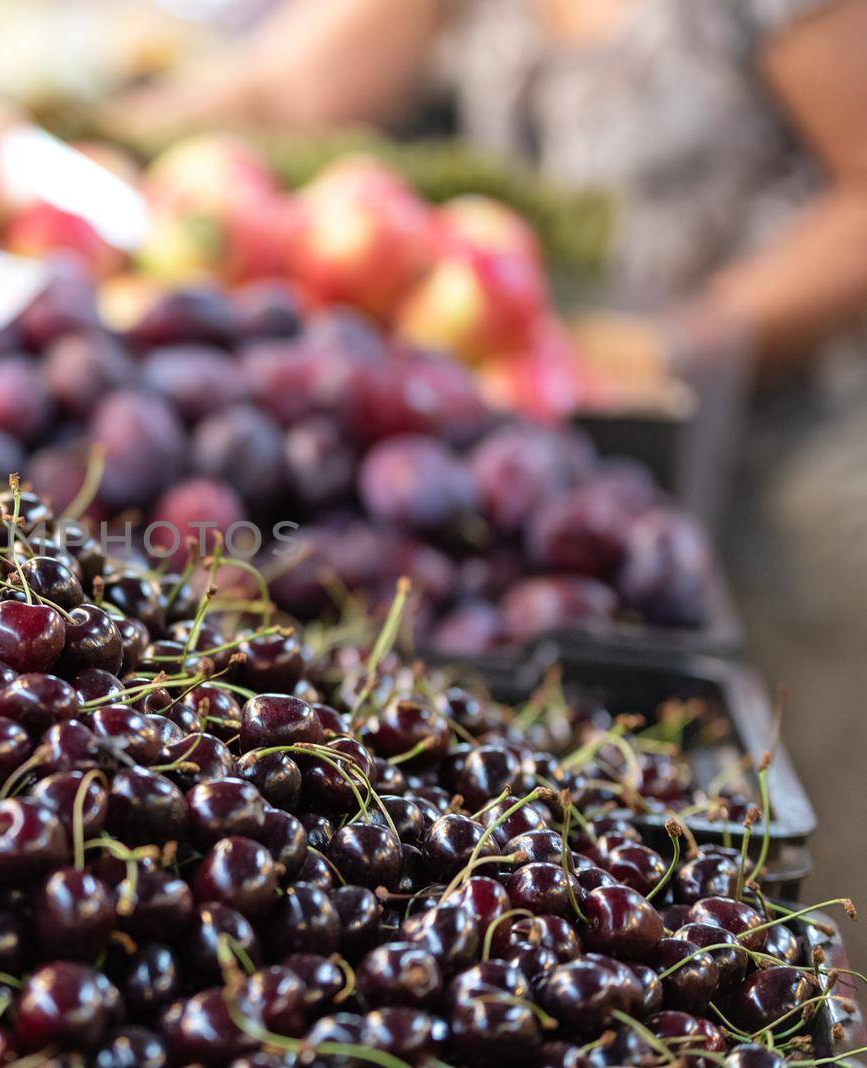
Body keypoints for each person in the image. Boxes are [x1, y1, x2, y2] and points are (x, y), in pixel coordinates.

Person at [122, 0, 867, 959]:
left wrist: (693, 336)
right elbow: (290, 85)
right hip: (583, 443)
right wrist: (97, 139)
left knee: (801, 815)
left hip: (792, 460)